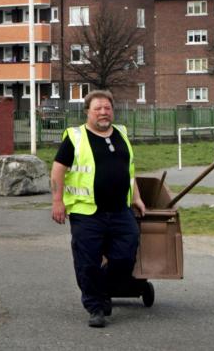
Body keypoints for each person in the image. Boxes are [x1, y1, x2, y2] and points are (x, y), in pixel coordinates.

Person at [50, 90, 147, 328]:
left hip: (120, 211)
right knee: (88, 262)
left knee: (126, 256)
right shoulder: (75, 137)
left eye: (107, 108)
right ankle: (95, 307)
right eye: (98, 109)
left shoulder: (122, 134)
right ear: (87, 112)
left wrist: (137, 198)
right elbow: (58, 170)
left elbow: (130, 171)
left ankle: (102, 288)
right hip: (86, 212)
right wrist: (57, 201)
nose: (104, 112)